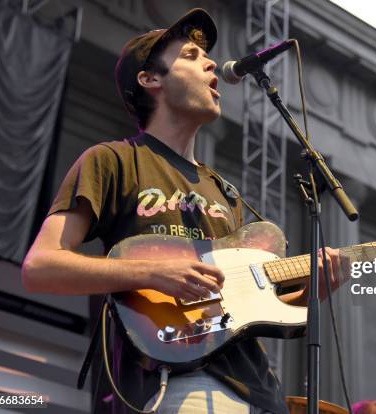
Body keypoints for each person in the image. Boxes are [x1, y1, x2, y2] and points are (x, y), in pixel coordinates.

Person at [22, 8, 345, 414]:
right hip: (174, 384)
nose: (211, 61)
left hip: (259, 392)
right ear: (151, 79)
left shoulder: (226, 194)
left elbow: (255, 309)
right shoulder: (113, 160)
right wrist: (154, 273)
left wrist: (311, 294)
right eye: (191, 55)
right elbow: (41, 267)